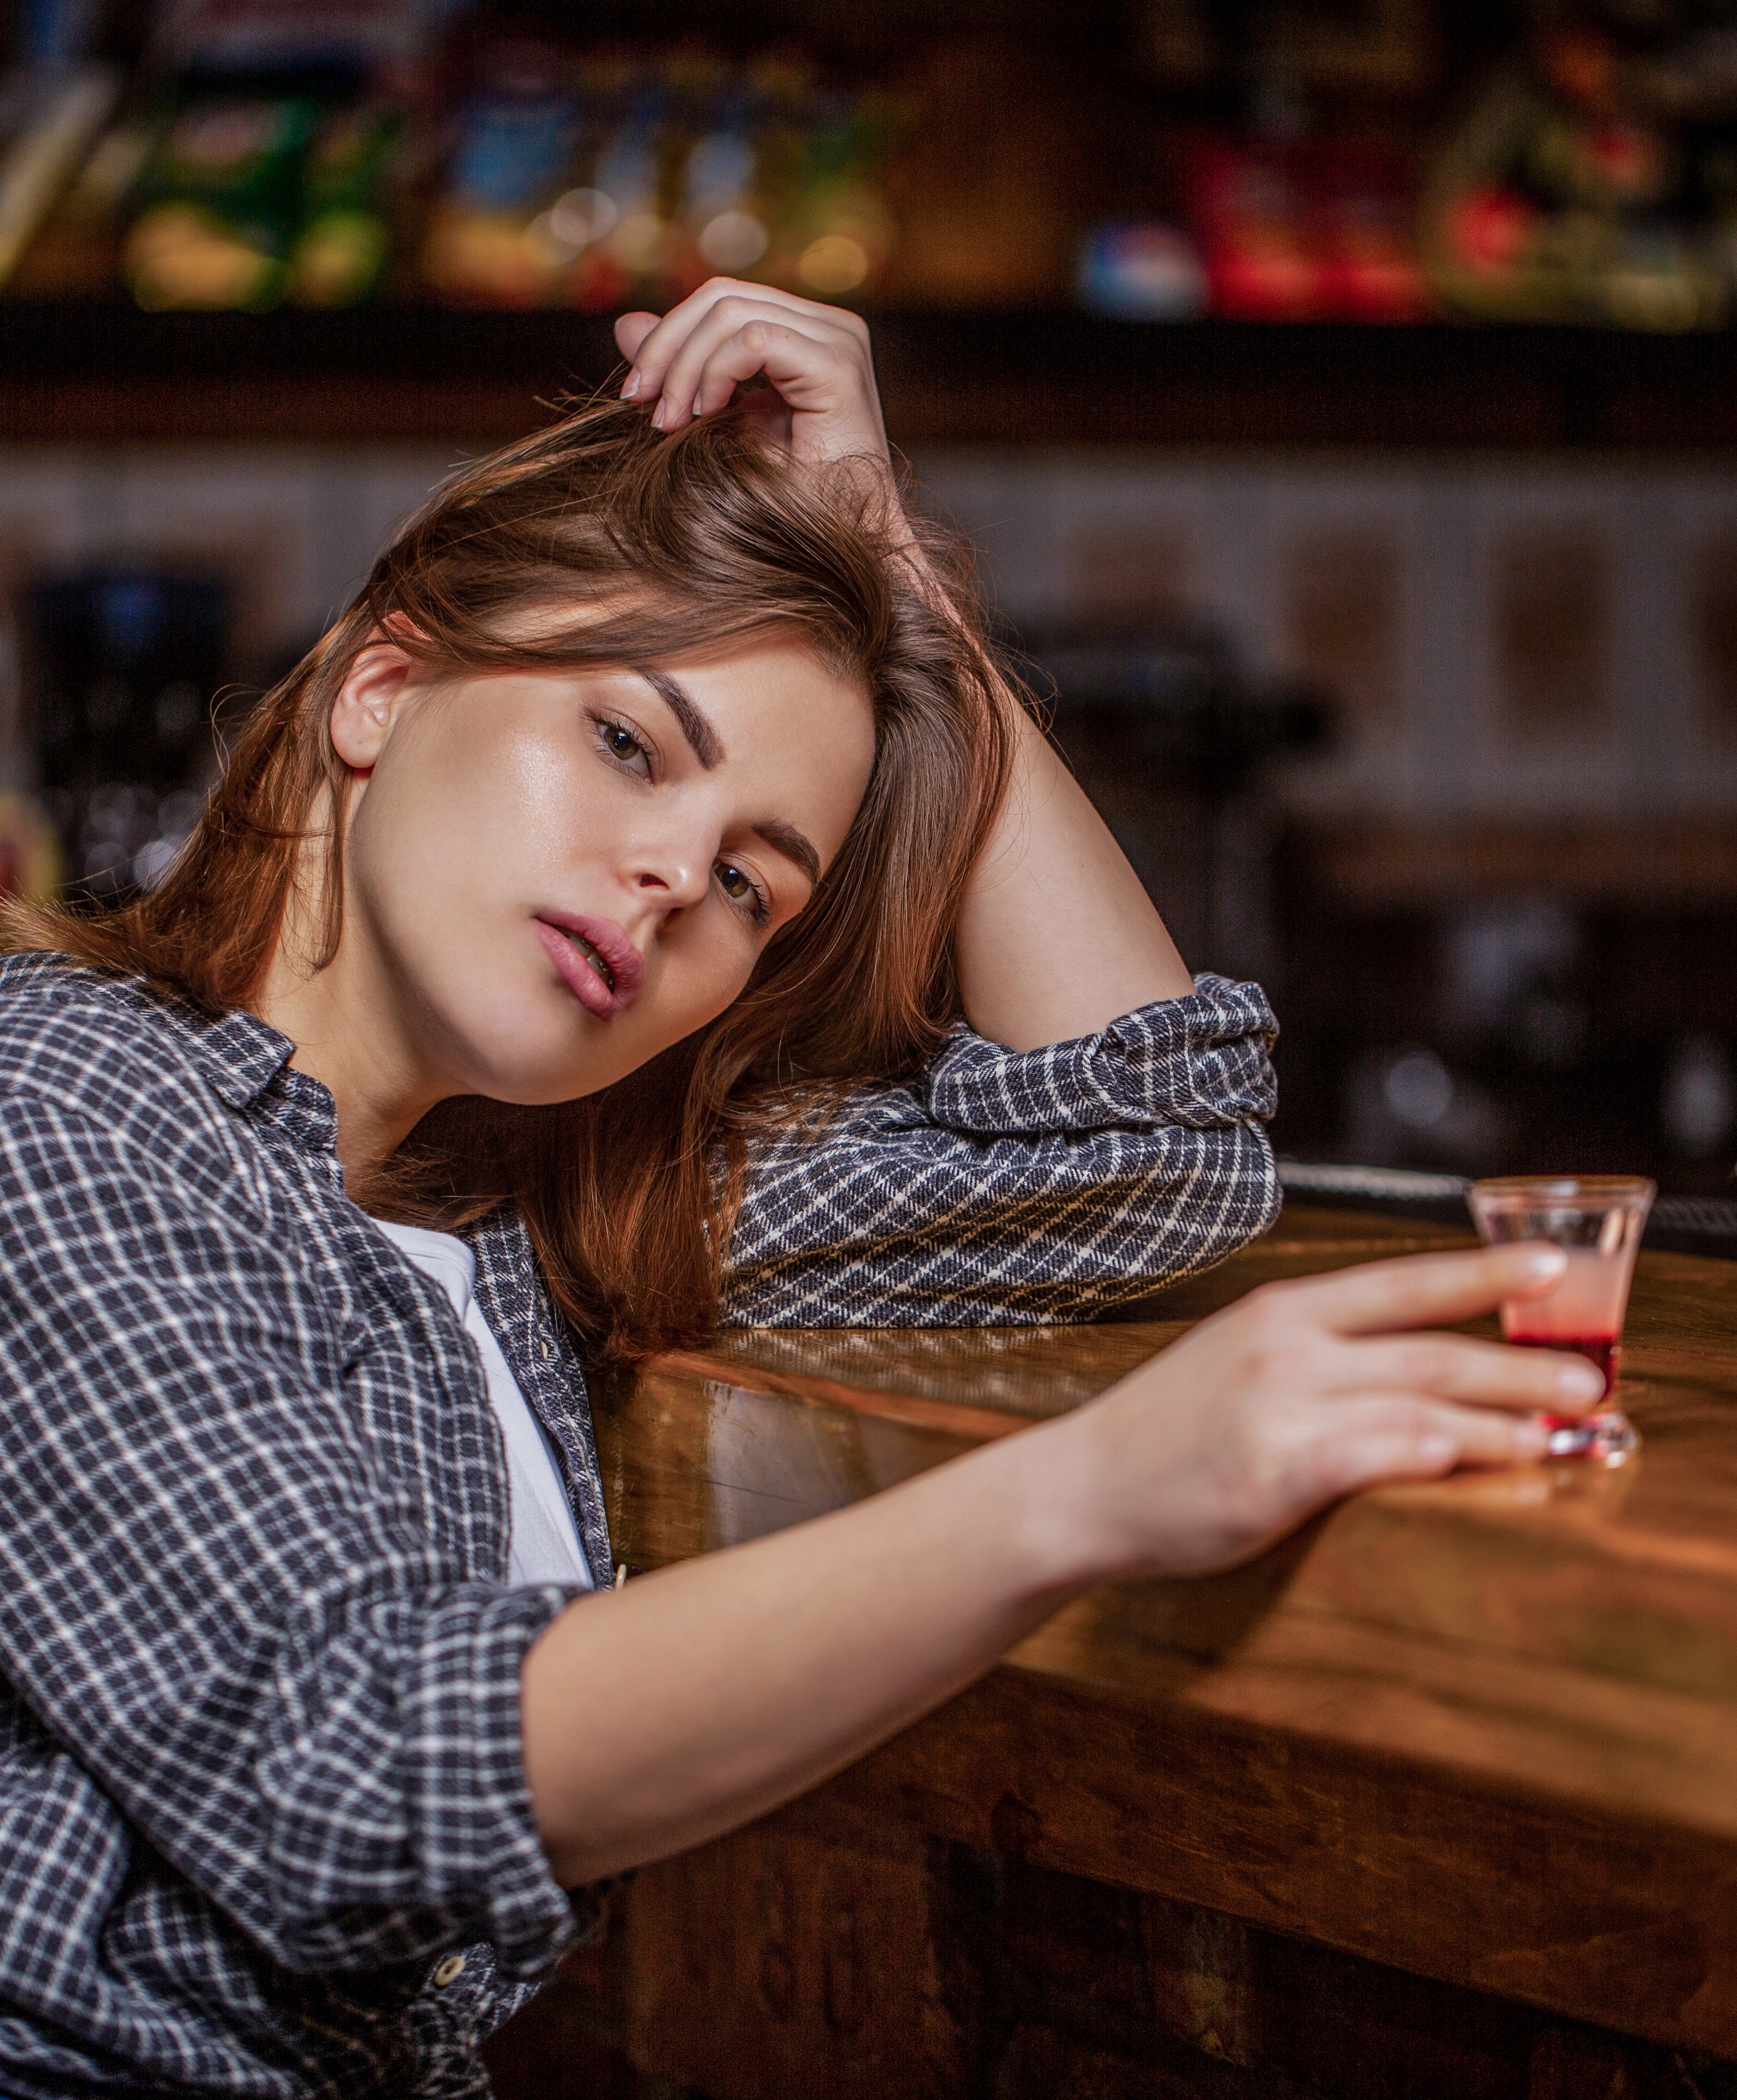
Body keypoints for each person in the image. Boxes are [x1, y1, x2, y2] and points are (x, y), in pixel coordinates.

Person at [0, 282, 1601, 2100]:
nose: (676, 874)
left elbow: (1142, 1151)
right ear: (384, 686)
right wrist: (1088, 1493)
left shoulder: (530, 1210)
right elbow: (342, 1779)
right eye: (628, 743)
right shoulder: (61, 1092)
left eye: (756, 884)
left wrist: (893, 564)